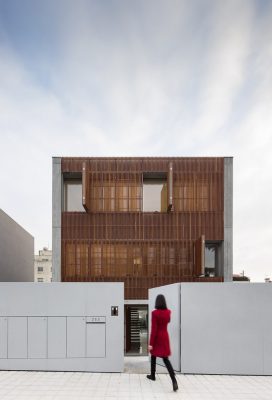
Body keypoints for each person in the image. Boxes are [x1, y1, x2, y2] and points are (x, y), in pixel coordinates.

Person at [147, 294, 178, 391]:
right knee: (166, 359)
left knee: (153, 355)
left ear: (157, 302)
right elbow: (168, 321)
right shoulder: (168, 312)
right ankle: (174, 381)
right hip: (165, 336)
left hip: (157, 338)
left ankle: (153, 375)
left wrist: (151, 343)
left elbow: (154, 329)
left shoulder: (154, 313)